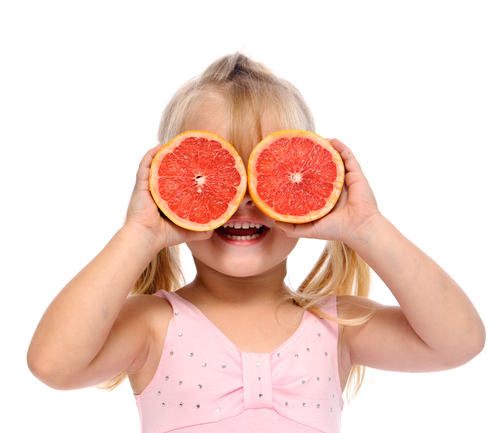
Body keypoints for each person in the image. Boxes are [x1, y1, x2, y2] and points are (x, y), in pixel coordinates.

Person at [27, 53, 485, 433]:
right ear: (171, 187)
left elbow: (459, 342)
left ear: (310, 188)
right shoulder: (153, 324)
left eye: (268, 173)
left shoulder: (335, 325)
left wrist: (367, 226)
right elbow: (52, 364)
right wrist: (141, 234)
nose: (243, 198)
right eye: (216, 174)